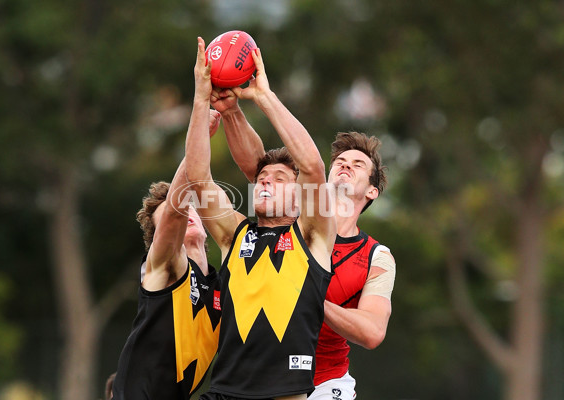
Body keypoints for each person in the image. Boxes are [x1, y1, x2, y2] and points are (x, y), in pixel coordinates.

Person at [211, 89, 395, 399]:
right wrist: (231, 112)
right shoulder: (292, 218)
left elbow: (373, 332)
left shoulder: (376, 256)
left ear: (372, 192)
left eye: (358, 165)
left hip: (325, 383)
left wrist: (310, 298)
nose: (346, 165)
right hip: (266, 376)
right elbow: (256, 168)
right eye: (339, 162)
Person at [186, 37, 335, 399]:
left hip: (283, 394)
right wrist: (200, 99)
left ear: (299, 195)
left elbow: (314, 167)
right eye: (262, 179)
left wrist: (263, 96)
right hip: (224, 392)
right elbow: (197, 178)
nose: (265, 183)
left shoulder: (312, 235)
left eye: (280, 179)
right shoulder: (234, 234)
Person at [110, 109, 223, 400]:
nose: (185, 214)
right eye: (173, 219)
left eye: (190, 209)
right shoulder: (162, 268)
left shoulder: (220, 284)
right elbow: (174, 212)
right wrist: (197, 142)